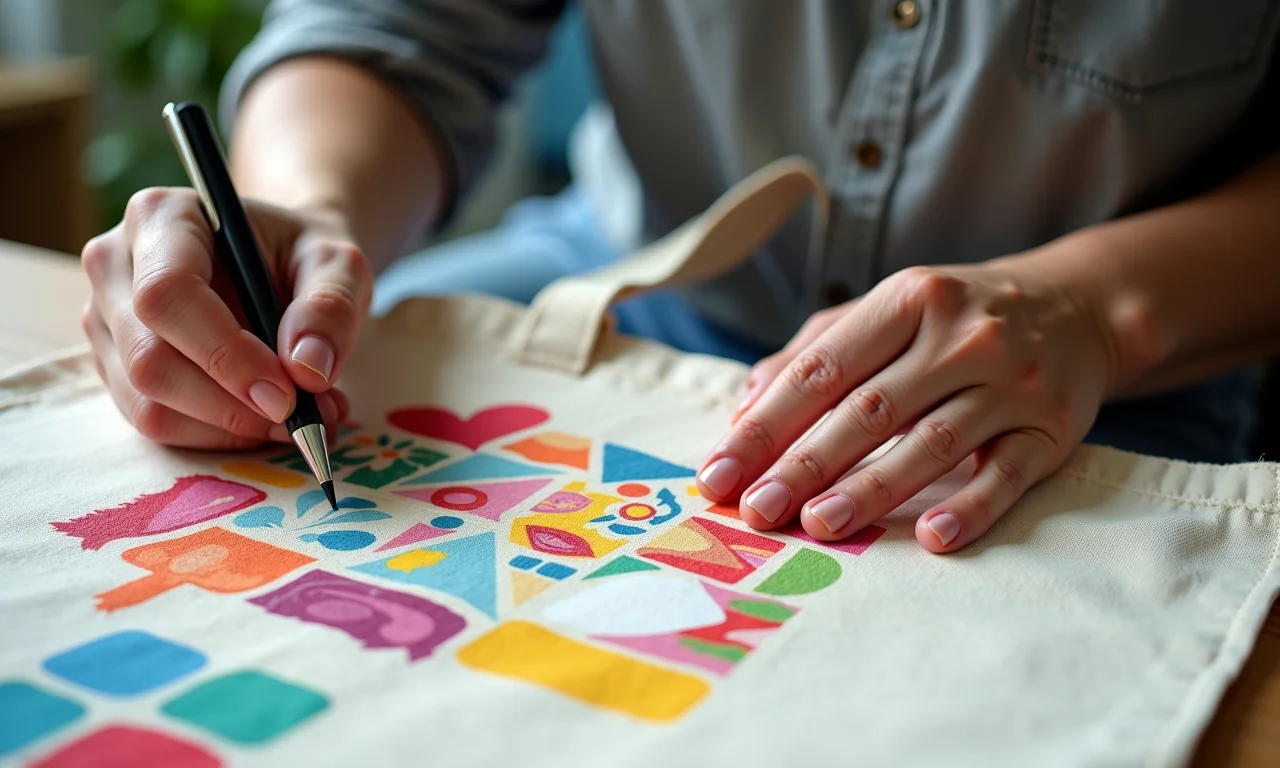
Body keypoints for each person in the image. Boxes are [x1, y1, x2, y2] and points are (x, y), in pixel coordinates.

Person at [80, 2, 1280, 555]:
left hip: (1111, 366)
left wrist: (1090, 310)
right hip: (615, 268)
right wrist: (306, 212)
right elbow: (397, 24)